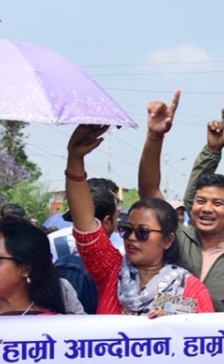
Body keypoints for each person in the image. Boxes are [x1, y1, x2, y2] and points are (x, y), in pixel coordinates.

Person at [65, 125, 214, 315]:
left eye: (143, 232)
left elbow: (203, 328)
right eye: (126, 230)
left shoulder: (191, 289)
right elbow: (85, 224)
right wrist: (75, 159)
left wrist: (175, 321)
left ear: (168, 240)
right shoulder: (111, 271)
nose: (131, 238)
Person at [138, 91, 224, 312]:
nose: (207, 209)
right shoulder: (174, 237)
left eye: (217, 203)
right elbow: (149, 191)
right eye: (201, 201)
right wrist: (154, 136)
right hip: (158, 333)